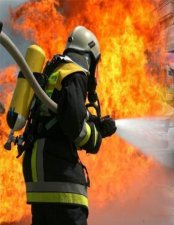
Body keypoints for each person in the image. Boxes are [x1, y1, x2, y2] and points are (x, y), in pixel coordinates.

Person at [21, 26, 117, 225]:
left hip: (39, 175)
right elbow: (75, 127)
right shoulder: (75, 73)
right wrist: (96, 136)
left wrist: (96, 122)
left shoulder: (55, 71)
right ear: (89, 57)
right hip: (60, 178)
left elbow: (61, 112)